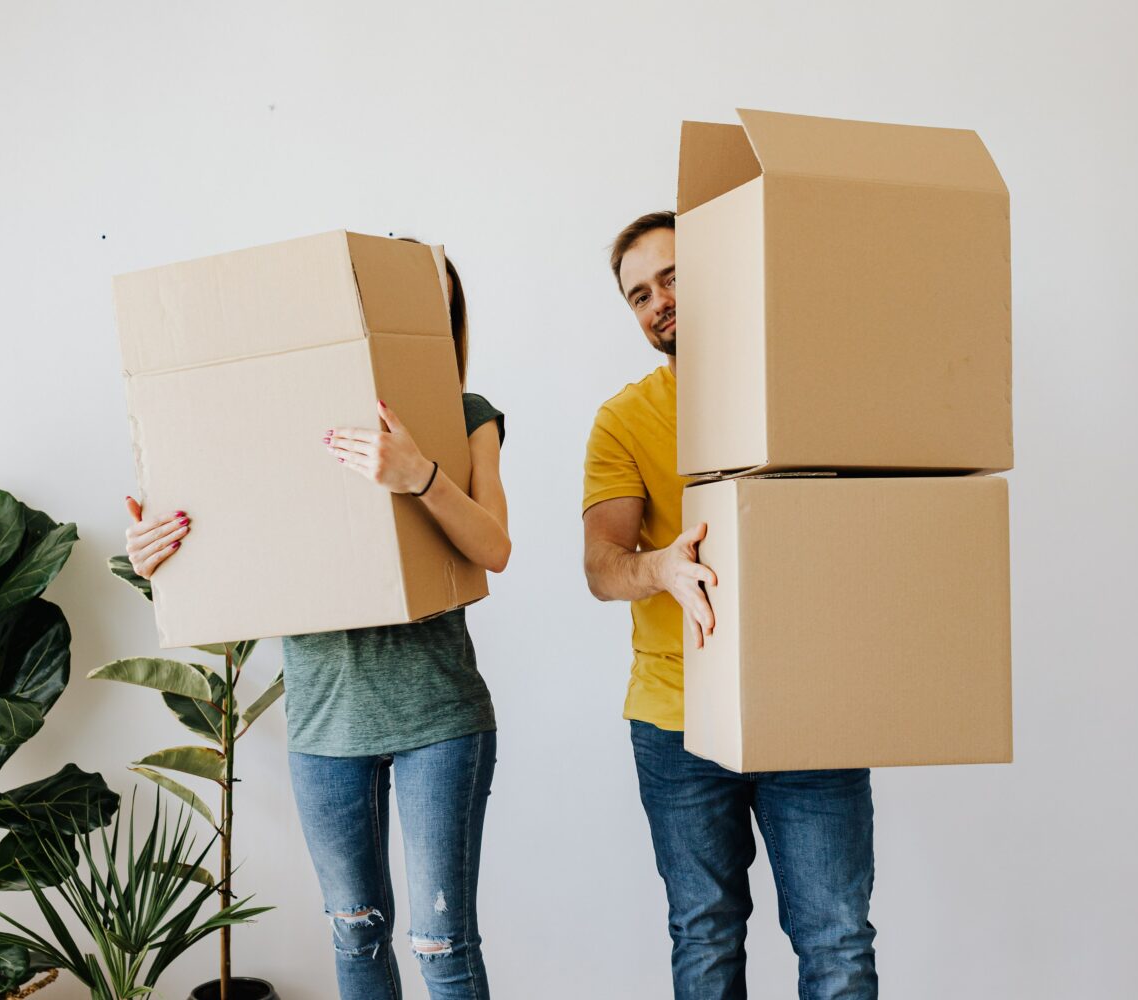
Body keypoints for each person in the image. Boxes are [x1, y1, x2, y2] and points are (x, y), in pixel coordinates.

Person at [124, 246, 509, 1000]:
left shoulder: (466, 415)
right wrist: (157, 554)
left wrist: (418, 475)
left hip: (440, 717)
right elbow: (223, 542)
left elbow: (493, 545)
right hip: (324, 729)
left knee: (441, 944)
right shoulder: (276, 420)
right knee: (354, 933)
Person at [582, 211, 878, 999]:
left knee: (838, 940)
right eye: (639, 295)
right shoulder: (623, 419)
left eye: (672, 276)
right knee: (706, 936)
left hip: (808, 704)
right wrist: (661, 570)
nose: (658, 303)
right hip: (679, 718)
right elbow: (603, 567)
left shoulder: (808, 388)